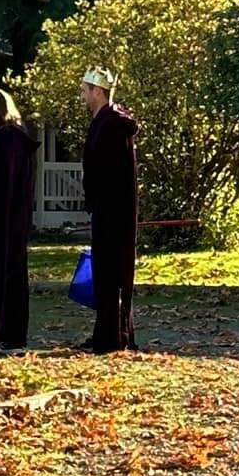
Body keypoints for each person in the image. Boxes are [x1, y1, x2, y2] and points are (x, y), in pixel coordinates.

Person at [80, 66, 140, 352]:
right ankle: (107, 332)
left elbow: (111, 171)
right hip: (106, 208)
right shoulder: (103, 121)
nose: (82, 95)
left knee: (112, 273)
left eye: (85, 90)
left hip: (113, 210)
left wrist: (100, 199)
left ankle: (114, 336)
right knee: (104, 273)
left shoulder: (112, 123)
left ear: (98, 91)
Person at [0, 86, 39, 349]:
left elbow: (7, 183)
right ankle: (5, 332)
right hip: (10, 219)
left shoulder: (7, 140)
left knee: (1, 275)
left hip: (3, 220)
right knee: (10, 274)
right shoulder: (12, 138)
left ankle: (0, 333)